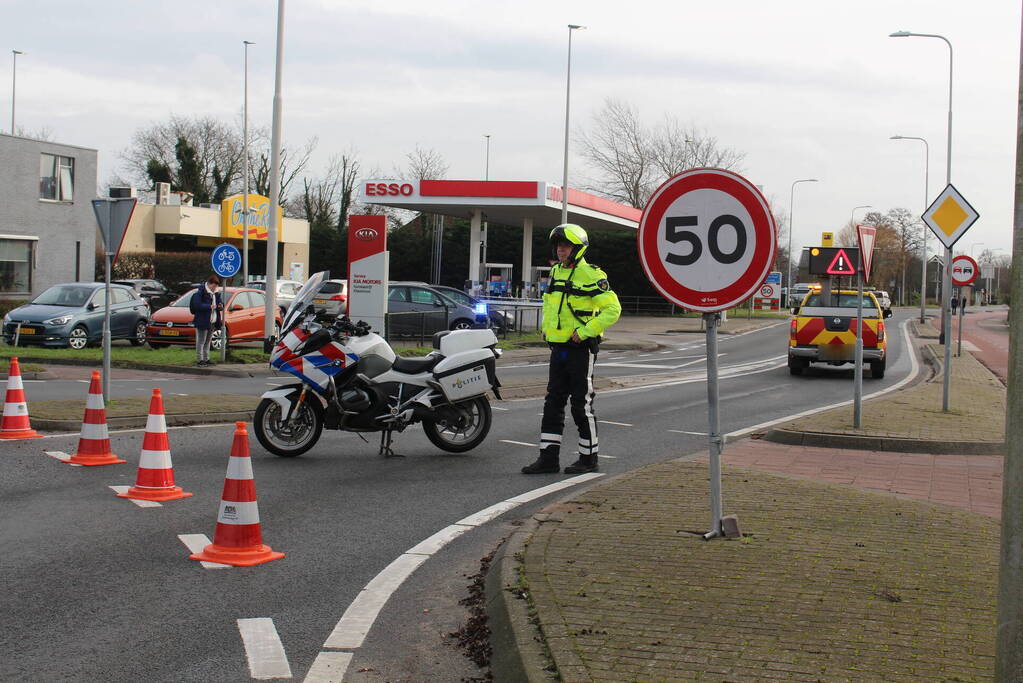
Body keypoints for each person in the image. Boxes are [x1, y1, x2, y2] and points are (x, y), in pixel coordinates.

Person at [522, 224, 621, 475]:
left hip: (580, 349)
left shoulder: (591, 275)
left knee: (580, 404)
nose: (560, 250)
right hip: (558, 348)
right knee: (553, 402)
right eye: (558, 245)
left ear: (577, 249)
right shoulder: (555, 271)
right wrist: (546, 330)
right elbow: (551, 304)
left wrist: (586, 331)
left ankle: (589, 458)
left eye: (565, 246)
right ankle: (548, 459)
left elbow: (613, 310)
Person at [189, 274, 223, 367]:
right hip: (202, 320)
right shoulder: (200, 292)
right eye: (213, 286)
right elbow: (197, 305)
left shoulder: (216, 293)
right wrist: (209, 306)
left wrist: (220, 306)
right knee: (201, 341)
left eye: (216, 286)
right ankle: (200, 360)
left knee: (208, 341)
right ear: (209, 284)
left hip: (212, 321)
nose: (214, 288)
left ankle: (206, 359)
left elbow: (220, 303)